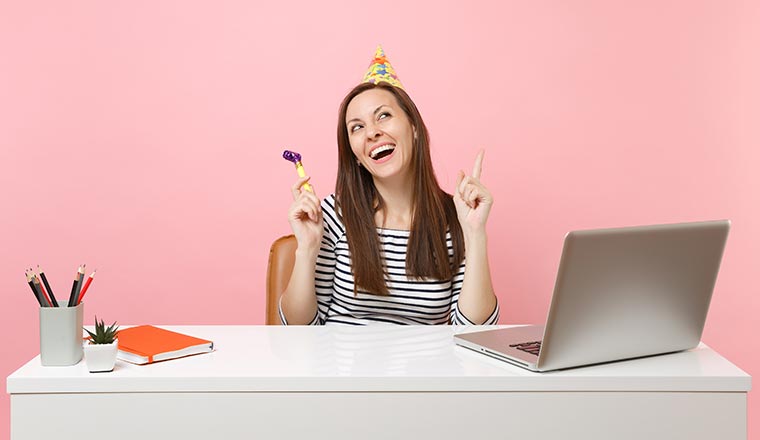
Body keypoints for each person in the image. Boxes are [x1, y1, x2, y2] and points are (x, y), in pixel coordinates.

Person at [279, 47, 498, 325]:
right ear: (355, 156)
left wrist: (475, 233)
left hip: (426, 368)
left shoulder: (456, 216)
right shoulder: (333, 215)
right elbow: (298, 330)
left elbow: (473, 329)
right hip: (339, 367)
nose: (371, 132)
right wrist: (308, 247)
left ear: (414, 128)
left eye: (383, 115)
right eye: (357, 127)